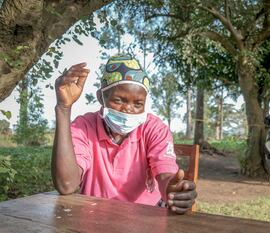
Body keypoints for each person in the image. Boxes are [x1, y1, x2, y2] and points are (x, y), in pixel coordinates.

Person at [52, 55, 197, 214]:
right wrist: (63, 108)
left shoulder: (154, 129)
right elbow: (66, 184)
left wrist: (172, 189)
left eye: (138, 104)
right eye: (119, 100)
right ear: (101, 97)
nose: (128, 109)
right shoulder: (84, 127)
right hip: (93, 218)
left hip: (144, 219)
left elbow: (165, 175)